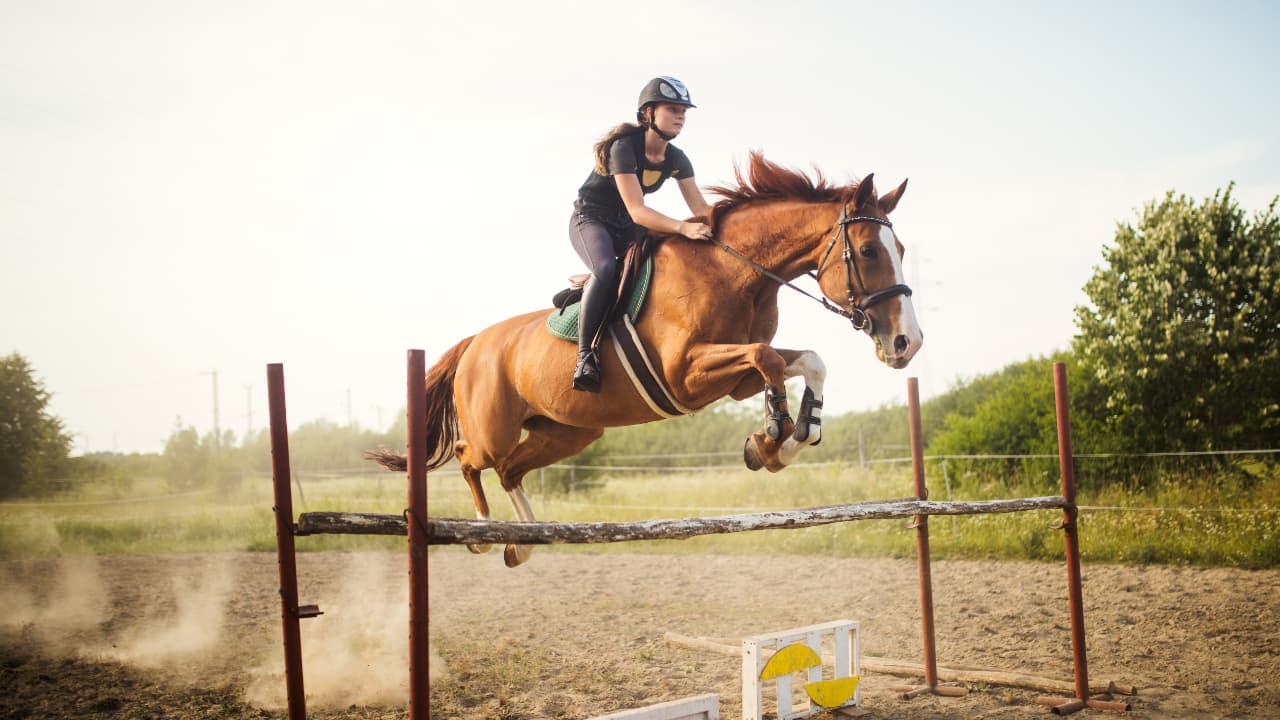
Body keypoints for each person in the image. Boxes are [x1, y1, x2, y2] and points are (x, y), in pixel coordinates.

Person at [569, 76, 713, 393]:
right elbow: (638, 210)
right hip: (591, 219)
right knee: (606, 268)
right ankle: (585, 357)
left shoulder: (677, 158)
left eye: (684, 112)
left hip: (625, 223)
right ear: (648, 113)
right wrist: (683, 227)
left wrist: (724, 230)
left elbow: (701, 207)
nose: (680, 117)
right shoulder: (623, 147)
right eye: (672, 109)